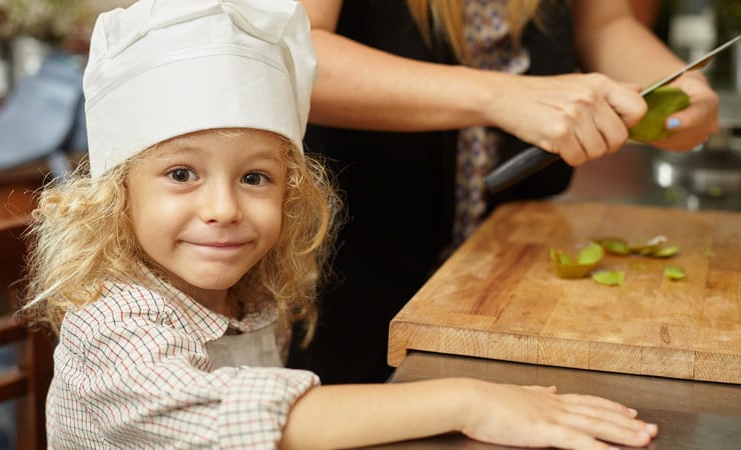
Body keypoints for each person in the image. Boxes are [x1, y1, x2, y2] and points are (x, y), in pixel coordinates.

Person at [20, 0, 660, 448]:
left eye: (255, 177)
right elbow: (227, 419)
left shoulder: (252, 294)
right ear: (115, 197)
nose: (223, 208)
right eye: (182, 174)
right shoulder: (113, 325)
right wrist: (471, 400)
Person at [287, 0, 720, 384]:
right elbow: (294, 53)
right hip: (345, 255)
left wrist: (675, 92)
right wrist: (499, 95)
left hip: (503, 257)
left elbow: (606, 23)